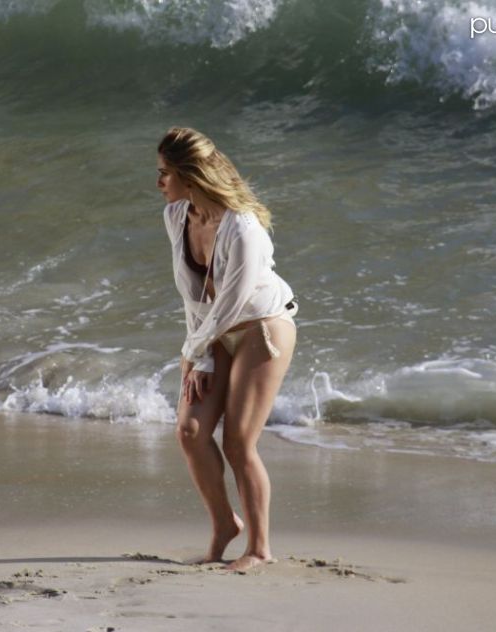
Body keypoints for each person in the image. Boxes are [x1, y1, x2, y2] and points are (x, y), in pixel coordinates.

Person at [157, 127, 297, 572]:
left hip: (262, 328)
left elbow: (233, 301)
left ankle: (259, 549)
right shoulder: (177, 215)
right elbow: (192, 297)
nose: (158, 182)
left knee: (238, 443)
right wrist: (199, 355)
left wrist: (195, 349)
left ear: (190, 175)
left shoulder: (243, 227)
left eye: (165, 173)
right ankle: (224, 525)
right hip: (211, 332)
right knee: (190, 431)